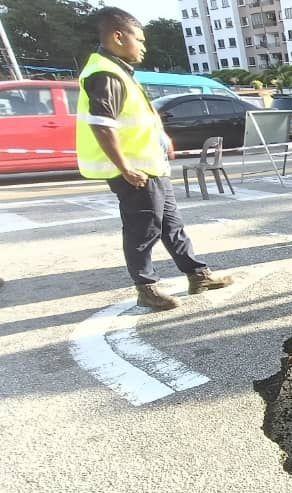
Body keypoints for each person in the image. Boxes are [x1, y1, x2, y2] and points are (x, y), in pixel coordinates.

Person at [76, 7, 231, 311]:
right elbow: (101, 124)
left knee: (172, 225)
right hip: (136, 170)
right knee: (142, 229)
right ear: (118, 36)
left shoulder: (118, 70)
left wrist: (162, 140)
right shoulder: (104, 73)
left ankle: (197, 274)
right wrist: (125, 168)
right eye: (140, 39)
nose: (143, 47)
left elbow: (136, 118)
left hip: (151, 166)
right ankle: (146, 287)